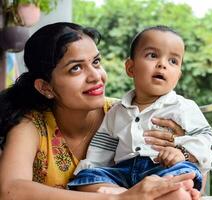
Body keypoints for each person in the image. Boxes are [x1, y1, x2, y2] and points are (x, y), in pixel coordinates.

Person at [0, 22, 201, 200]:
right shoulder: (32, 124)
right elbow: (10, 190)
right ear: (45, 87)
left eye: (96, 62)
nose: (96, 76)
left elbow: (194, 173)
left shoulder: (127, 112)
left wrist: (183, 150)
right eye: (76, 68)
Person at [68, 25, 212, 196]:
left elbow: (206, 137)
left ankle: (164, 193)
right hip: (122, 173)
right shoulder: (116, 111)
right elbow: (102, 148)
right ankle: (126, 194)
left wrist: (181, 151)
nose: (162, 65)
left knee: (183, 174)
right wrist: (93, 170)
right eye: (152, 56)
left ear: (178, 76)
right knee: (86, 178)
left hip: (163, 169)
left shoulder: (183, 107)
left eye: (173, 61)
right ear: (131, 68)